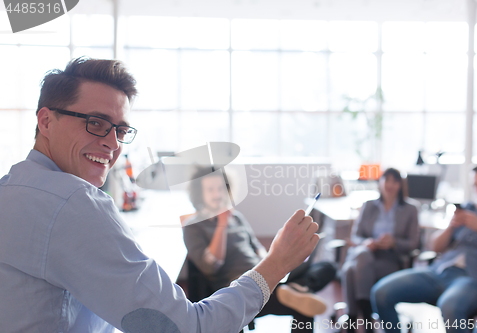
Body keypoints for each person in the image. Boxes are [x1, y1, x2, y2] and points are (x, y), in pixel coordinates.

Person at [0, 57, 320, 333]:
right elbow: (188, 327)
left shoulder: (11, 188)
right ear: (45, 120)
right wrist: (277, 263)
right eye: (95, 123)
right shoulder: (75, 203)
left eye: (121, 130)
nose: (112, 143)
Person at [183, 167, 335, 332]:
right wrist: (221, 225)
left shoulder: (236, 217)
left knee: (327, 267)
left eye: (220, 188)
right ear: (200, 193)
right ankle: (294, 289)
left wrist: (273, 262)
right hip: (242, 287)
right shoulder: (193, 226)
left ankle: (297, 287)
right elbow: (211, 266)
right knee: (304, 305)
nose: (217, 194)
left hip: (264, 272)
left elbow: (257, 248)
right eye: (211, 189)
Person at [372, 162, 477, 333]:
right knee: (380, 293)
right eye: (475, 185)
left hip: (474, 279)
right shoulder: (469, 209)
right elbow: (433, 246)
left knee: (450, 306)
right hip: (439, 271)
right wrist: (450, 227)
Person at [341, 168, 419, 333]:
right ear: (380, 182)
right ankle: (366, 315)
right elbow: (356, 236)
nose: (390, 184)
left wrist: (393, 242)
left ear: (400, 185)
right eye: (386, 180)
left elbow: (414, 243)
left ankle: (354, 319)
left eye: (394, 181)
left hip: (389, 258)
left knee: (350, 270)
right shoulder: (369, 205)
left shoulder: (410, 209)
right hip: (366, 254)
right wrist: (367, 242)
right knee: (360, 257)